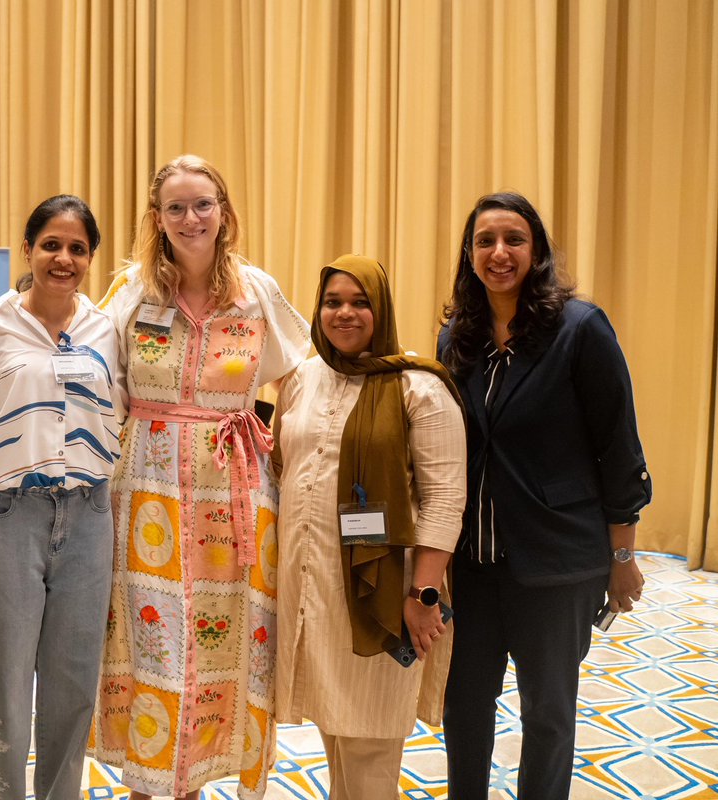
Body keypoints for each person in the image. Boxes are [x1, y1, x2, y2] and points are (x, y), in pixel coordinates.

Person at [91, 155, 310, 800]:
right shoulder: (131, 292)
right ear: (156, 218)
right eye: (176, 207)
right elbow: (96, 379)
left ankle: (206, 775)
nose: (191, 218)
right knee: (151, 635)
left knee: (230, 636)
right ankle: (150, 784)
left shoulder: (257, 292)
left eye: (203, 204)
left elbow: (296, 377)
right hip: (147, 491)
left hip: (235, 487)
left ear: (225, 212)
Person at [438, 192, 652, 800]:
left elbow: (619, 449)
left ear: (537, 251)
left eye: (514, 239)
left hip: (556, 566)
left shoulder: (580, 330)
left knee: (548, 715)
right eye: (485, 241)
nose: (499, 253)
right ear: (469, 254)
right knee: (465, 709)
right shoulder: (458, 338)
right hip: (473, 567)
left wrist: (622, 559)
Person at [272, 255, 466, 800]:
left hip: (384, 593)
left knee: (371, 746)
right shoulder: (304, 379)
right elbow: (282, 470)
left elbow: (446, 500)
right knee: (337, 734)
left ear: (381, 310)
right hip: (314, 590)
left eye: (361, 302)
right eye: (333, 302)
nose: (346, 313)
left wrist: (424, 592)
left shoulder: (419, 389)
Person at [0, 195, 121, 800]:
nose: (64, 258)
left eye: (78, 248)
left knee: (73, 682)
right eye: (51, 244)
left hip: (89, 514)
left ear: (90, 259)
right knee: (0, 678)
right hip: (9, 515)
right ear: (28, 249)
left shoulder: (105, 327)